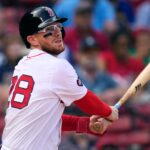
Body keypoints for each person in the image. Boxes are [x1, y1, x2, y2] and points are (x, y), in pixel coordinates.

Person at [1, 6, 118, 150]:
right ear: (32, 39)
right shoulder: (57, 66)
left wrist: (85, 125)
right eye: (48, 31)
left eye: (58, 27)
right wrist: (109, 112)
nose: (57, 33)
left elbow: (43, 119)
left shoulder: (24, 64)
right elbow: (87, 101)